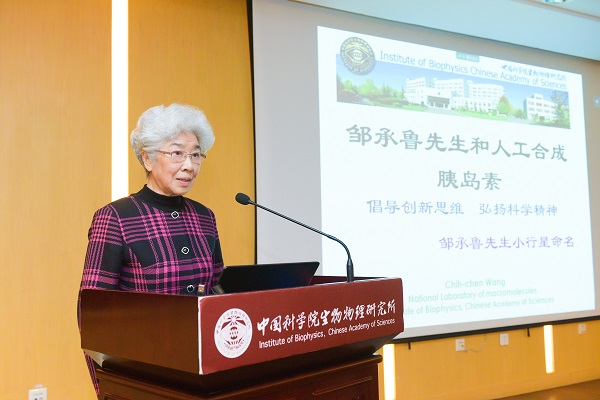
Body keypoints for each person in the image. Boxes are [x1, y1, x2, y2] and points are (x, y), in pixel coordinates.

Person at [77, 103, 224, 395]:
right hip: (144, 376)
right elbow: (92, 315)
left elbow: (219, 292)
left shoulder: (205, 217)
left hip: (203, 375)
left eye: (196, 154)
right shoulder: (116, 217)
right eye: (177, 153)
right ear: (147, 158)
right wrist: (108, 389)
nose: (189, 165)